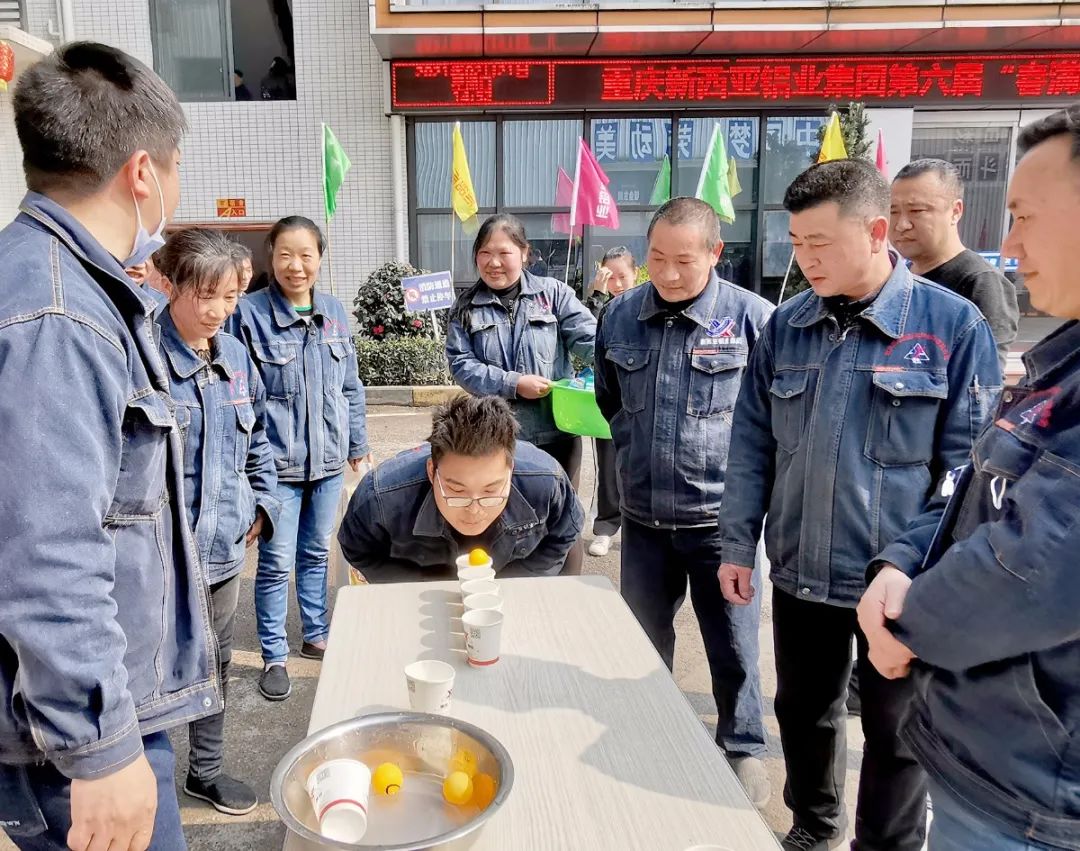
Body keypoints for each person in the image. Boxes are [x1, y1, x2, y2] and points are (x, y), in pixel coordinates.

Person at [718, 159, 1001, 851]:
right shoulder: (787, 326)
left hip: (901, 583)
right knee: (803, 712)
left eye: (820, 242)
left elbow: (966, 472)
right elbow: (751, 443)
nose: (805, 259)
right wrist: (737, 542)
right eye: (797, 243)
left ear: (876, 233)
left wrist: (908, 564)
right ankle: (814, 826)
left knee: (898, 733)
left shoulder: (952, 326)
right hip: (802, 571)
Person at [0, 42, 220, 850]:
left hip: (68, 717)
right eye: (176, 165)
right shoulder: (58, 315)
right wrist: (102, 750)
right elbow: (46, 549)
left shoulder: (48, 279)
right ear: (141, 174)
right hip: (73, 742)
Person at [859, 105, 1080, 851]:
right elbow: (978, 481)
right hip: (989, 756)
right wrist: (903, 558)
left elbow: (1033, 565)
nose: (1010, 243)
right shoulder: (1060, 367)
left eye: (1025, 216)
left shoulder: (970, 306)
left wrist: (907, 623)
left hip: (1035, 794)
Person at [594, 197, 774, 806]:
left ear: (715, 253)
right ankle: (652, 729)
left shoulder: (752, 319)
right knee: (643, 641)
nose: (668, 274)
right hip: (644, 520)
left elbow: (773, 422)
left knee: (734, 644)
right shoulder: (619, 315)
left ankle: (742, 746)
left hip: (722, 524)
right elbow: (610, 400)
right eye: (657, 259)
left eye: (684, 261)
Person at [154, 228, 280, 816]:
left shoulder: (235, 357)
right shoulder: (141, 358)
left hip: (225, 550)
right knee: (147, 671)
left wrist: (262, 502)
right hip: (157, 556)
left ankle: (205, 772)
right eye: (205, 295)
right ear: (171, 285)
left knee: (216, 664)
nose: (218, 310)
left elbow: (260, 441)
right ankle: (142, 779)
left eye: (230, 297)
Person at [230, 215, 371, 702]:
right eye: (286, 254)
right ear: (271, 257)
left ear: (319, 258)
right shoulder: (248, 315)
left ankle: (316, 634)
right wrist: (248, 467)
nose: (296, 265)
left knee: (316, 553)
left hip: (327, 462)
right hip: (276, 468)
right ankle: (274, 654)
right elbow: (240, 396)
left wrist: (357, 444)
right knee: (274, 562)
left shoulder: (333, 311)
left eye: (306, 255)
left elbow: (350, 386)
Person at [339, 394, 584, 582]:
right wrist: (421, 587)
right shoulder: (381, 498)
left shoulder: (547, 482)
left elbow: (566, 533)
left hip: (515, 574)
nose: (474, 510)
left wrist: (516, 583)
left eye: (491, 491)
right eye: (457, 492)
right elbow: (357, 548)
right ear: (432, 471)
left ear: (511, 470)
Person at [446, 213, 596, 496]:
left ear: (524, 253)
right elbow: (462, 365)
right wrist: (513, 383)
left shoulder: (554, 295)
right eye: (485, 253)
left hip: (557, 433)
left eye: (504, 253)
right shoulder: (466, 306)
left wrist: (616, 366)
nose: (494, 262)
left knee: (561, 514)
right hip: (496, 438)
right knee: (505, 515)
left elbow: (592, 341)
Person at [891, 158, 1019, 372]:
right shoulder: (898, 278)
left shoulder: (981, 282)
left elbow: (984, 379)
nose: (902, 224)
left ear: (955, 211)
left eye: (917, 210)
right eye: (893, 211)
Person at [583, 246, 638, 557]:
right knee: (607, 468)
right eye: (609, 277)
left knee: (640, 471)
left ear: (636, 274)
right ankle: (605, 527)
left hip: (643, 401)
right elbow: (586, 338)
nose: (616, 284)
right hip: (611, 401)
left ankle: (636, 530)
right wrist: (597, 295)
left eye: (622, 277)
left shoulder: (646, 304)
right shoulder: (600, 307)